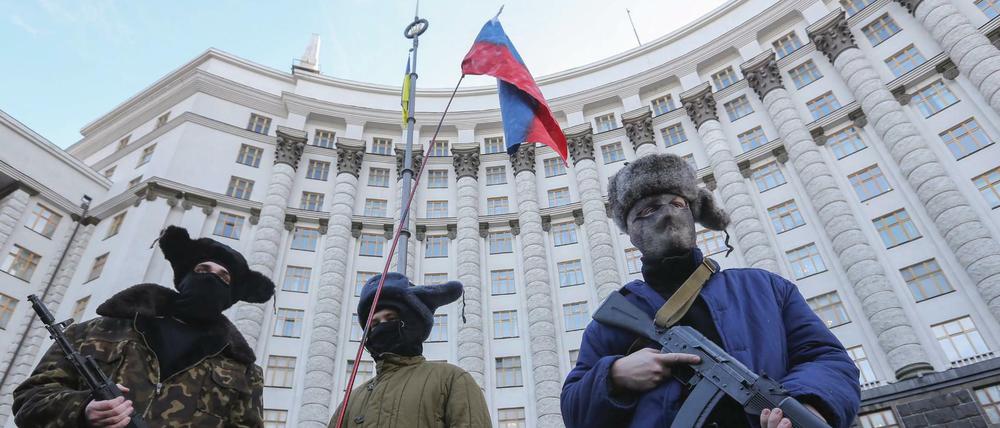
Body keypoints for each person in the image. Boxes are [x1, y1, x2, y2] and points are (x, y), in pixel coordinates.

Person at [561, 154, 860, 428]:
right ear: (629, 231)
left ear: (694, 214)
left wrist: (807, 406)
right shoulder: (615, 318)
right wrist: (615, 376)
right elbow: (574, 410)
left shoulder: (766, 288)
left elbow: (826, 358)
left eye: (677, 204)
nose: (666, 215)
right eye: (647, 209)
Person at [14, 225, 272, 428]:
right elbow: (29, 401)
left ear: (231, 295)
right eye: (203, 269)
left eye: (223, 276)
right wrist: (82, 410)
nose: (211, 278)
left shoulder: (243, 372)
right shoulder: (94, 332)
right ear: (185, 278)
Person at [330, 272, 490, 428]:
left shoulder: (450, 379)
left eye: (391, 318)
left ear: (412, 321)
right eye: (375, 324)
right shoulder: (350, 402)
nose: (383, 326)